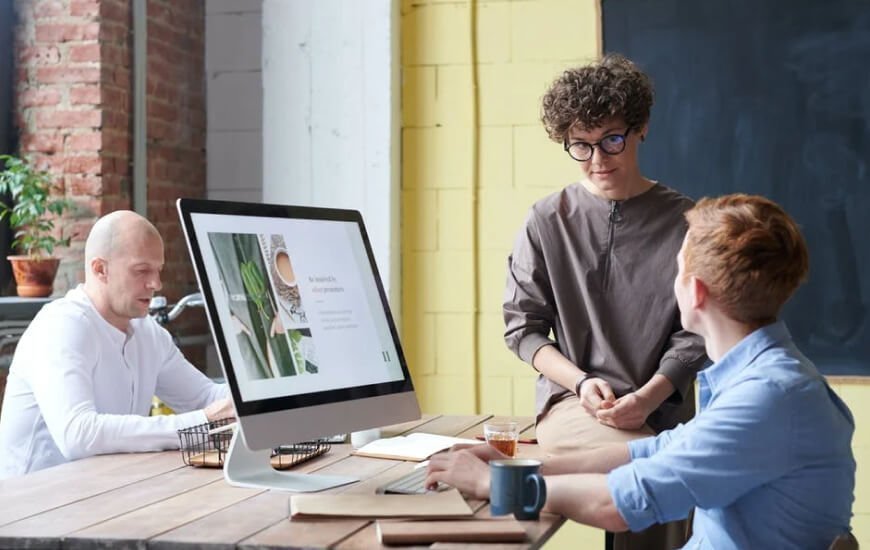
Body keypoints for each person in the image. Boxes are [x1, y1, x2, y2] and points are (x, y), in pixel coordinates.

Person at [431, 194, 856, 548]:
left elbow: (618, 505)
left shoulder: (767, 397)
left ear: (695, 292)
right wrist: (519, 466)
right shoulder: (761, 379)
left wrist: (493, 486)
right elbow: (650, 452)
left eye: (678, 267)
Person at [504, 53, 707, 458]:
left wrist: (648, 397)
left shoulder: (687, 222)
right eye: (581, 145)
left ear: (641, 127)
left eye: (612, 140)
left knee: (668, 475)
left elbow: (697, 331)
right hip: (575, 403)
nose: (597, 160)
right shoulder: (547, 220)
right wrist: (580, 383)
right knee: (657, 468)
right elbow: (523, 329)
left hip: (664, 410)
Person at [0, 210, 233, 479]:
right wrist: (202, 421)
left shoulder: (148, 332)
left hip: (102, 489)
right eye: (142, 271)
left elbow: (205, 398)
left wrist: (260, 396)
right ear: (100, 269)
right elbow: (78, 435)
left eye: (158, 270)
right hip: (35, 499)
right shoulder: (63, 324)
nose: (156, 283)